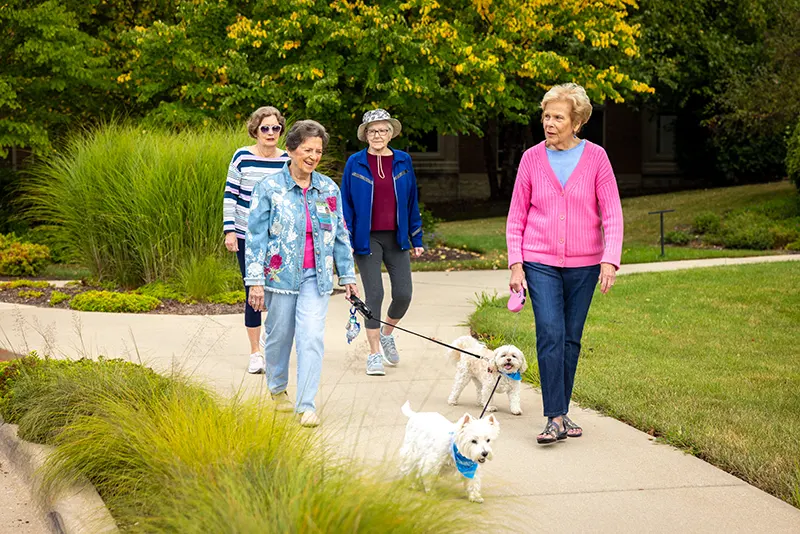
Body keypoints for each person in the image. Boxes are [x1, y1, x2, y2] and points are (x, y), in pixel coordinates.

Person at [506, 83, 623, 444]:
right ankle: (554, 416)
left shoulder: (596, 158)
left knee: (571, 339)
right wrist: (516, 263)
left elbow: (612, 213)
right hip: (539, 259)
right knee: (551, 333)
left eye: (558, 117)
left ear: (577, 122)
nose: (549, 123)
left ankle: (562, 411)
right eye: (546, 116)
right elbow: (516, 217)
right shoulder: (531, 159)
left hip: (585, 264)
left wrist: (610, 260)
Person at [244, 120, 358, 427]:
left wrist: (348, 275)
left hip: (316, 277)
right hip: (279, 278)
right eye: (308, 149)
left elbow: (341, 234)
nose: (313, 156)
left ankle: (306, 404)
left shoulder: (327, 188)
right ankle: (278, 389)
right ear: (292, 149)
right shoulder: (269, 188)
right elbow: (255, 236)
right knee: (279, 336)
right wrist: (254, 280)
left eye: (318, 151)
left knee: (311, 337)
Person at [341, 109, 424, 377]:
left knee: (403, 294)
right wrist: (348, 238)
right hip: (367, 239)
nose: (378, 135)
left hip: (396, 237)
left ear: (391, 133)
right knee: (374, 294)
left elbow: (411, 201)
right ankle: (374, 353)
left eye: (383, 130)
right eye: (372, 131)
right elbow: (346, 203)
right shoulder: (355, 162)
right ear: (365, 135)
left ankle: (387, 332)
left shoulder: (403, 161)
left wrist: (416, 236)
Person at [223, 106, 290, 374]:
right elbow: (230, 195)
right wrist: (229, 230)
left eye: (276, 128)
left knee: (276, 294)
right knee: (253, 292)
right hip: (246, 235)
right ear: (255, 130)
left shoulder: (287, 160)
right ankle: (255, 353)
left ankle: (270, 343)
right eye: (265, 128)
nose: (271, 133)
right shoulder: (242, 157)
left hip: (278, 238)